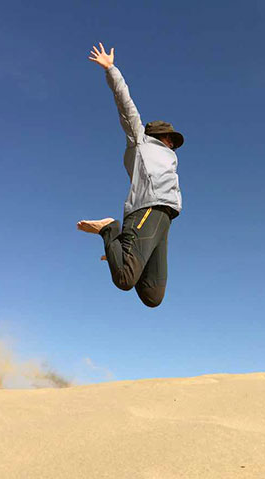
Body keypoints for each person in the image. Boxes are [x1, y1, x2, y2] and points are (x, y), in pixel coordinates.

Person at [77, 42, 184, 308]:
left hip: (166, 218)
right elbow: (126, 106)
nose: (172, 143)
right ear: (159, 135)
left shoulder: (169, 157)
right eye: (170, 138)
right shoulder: (140, 141)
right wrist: (111, 69)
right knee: (125, 279)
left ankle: (122, 250)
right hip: (146, 209)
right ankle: (110, 230)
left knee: (152, 297)